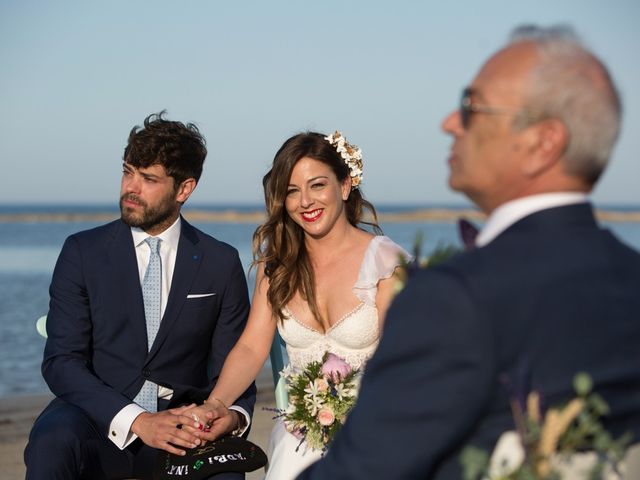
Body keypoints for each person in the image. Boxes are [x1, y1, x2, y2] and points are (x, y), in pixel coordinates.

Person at [298, 25, 640, 479]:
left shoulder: (454, 299)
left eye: (471, 107)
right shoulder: (630, 279)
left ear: (543, 143)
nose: (449, 122)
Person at [24, 112, 256, 480]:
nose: (131, 187)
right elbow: (61, 361)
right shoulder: (82, 252)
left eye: (148, 179)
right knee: (53, 438)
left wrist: (231, 416)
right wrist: (139, 421)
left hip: (185, 428)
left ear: (184, 189)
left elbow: (234, 364)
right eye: (128, 171)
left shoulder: (220, 262)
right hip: (97, 418)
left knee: (227, 474)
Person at [183, 131, 408, 479]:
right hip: (300, 433)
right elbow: (250, 346)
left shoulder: (386, 264)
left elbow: (403, 359)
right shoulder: (277, 266)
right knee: (292, 453)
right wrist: (217, 403)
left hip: (378, 423)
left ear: (345, 186)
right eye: (291, 191)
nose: (305, 201)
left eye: (317, 185)